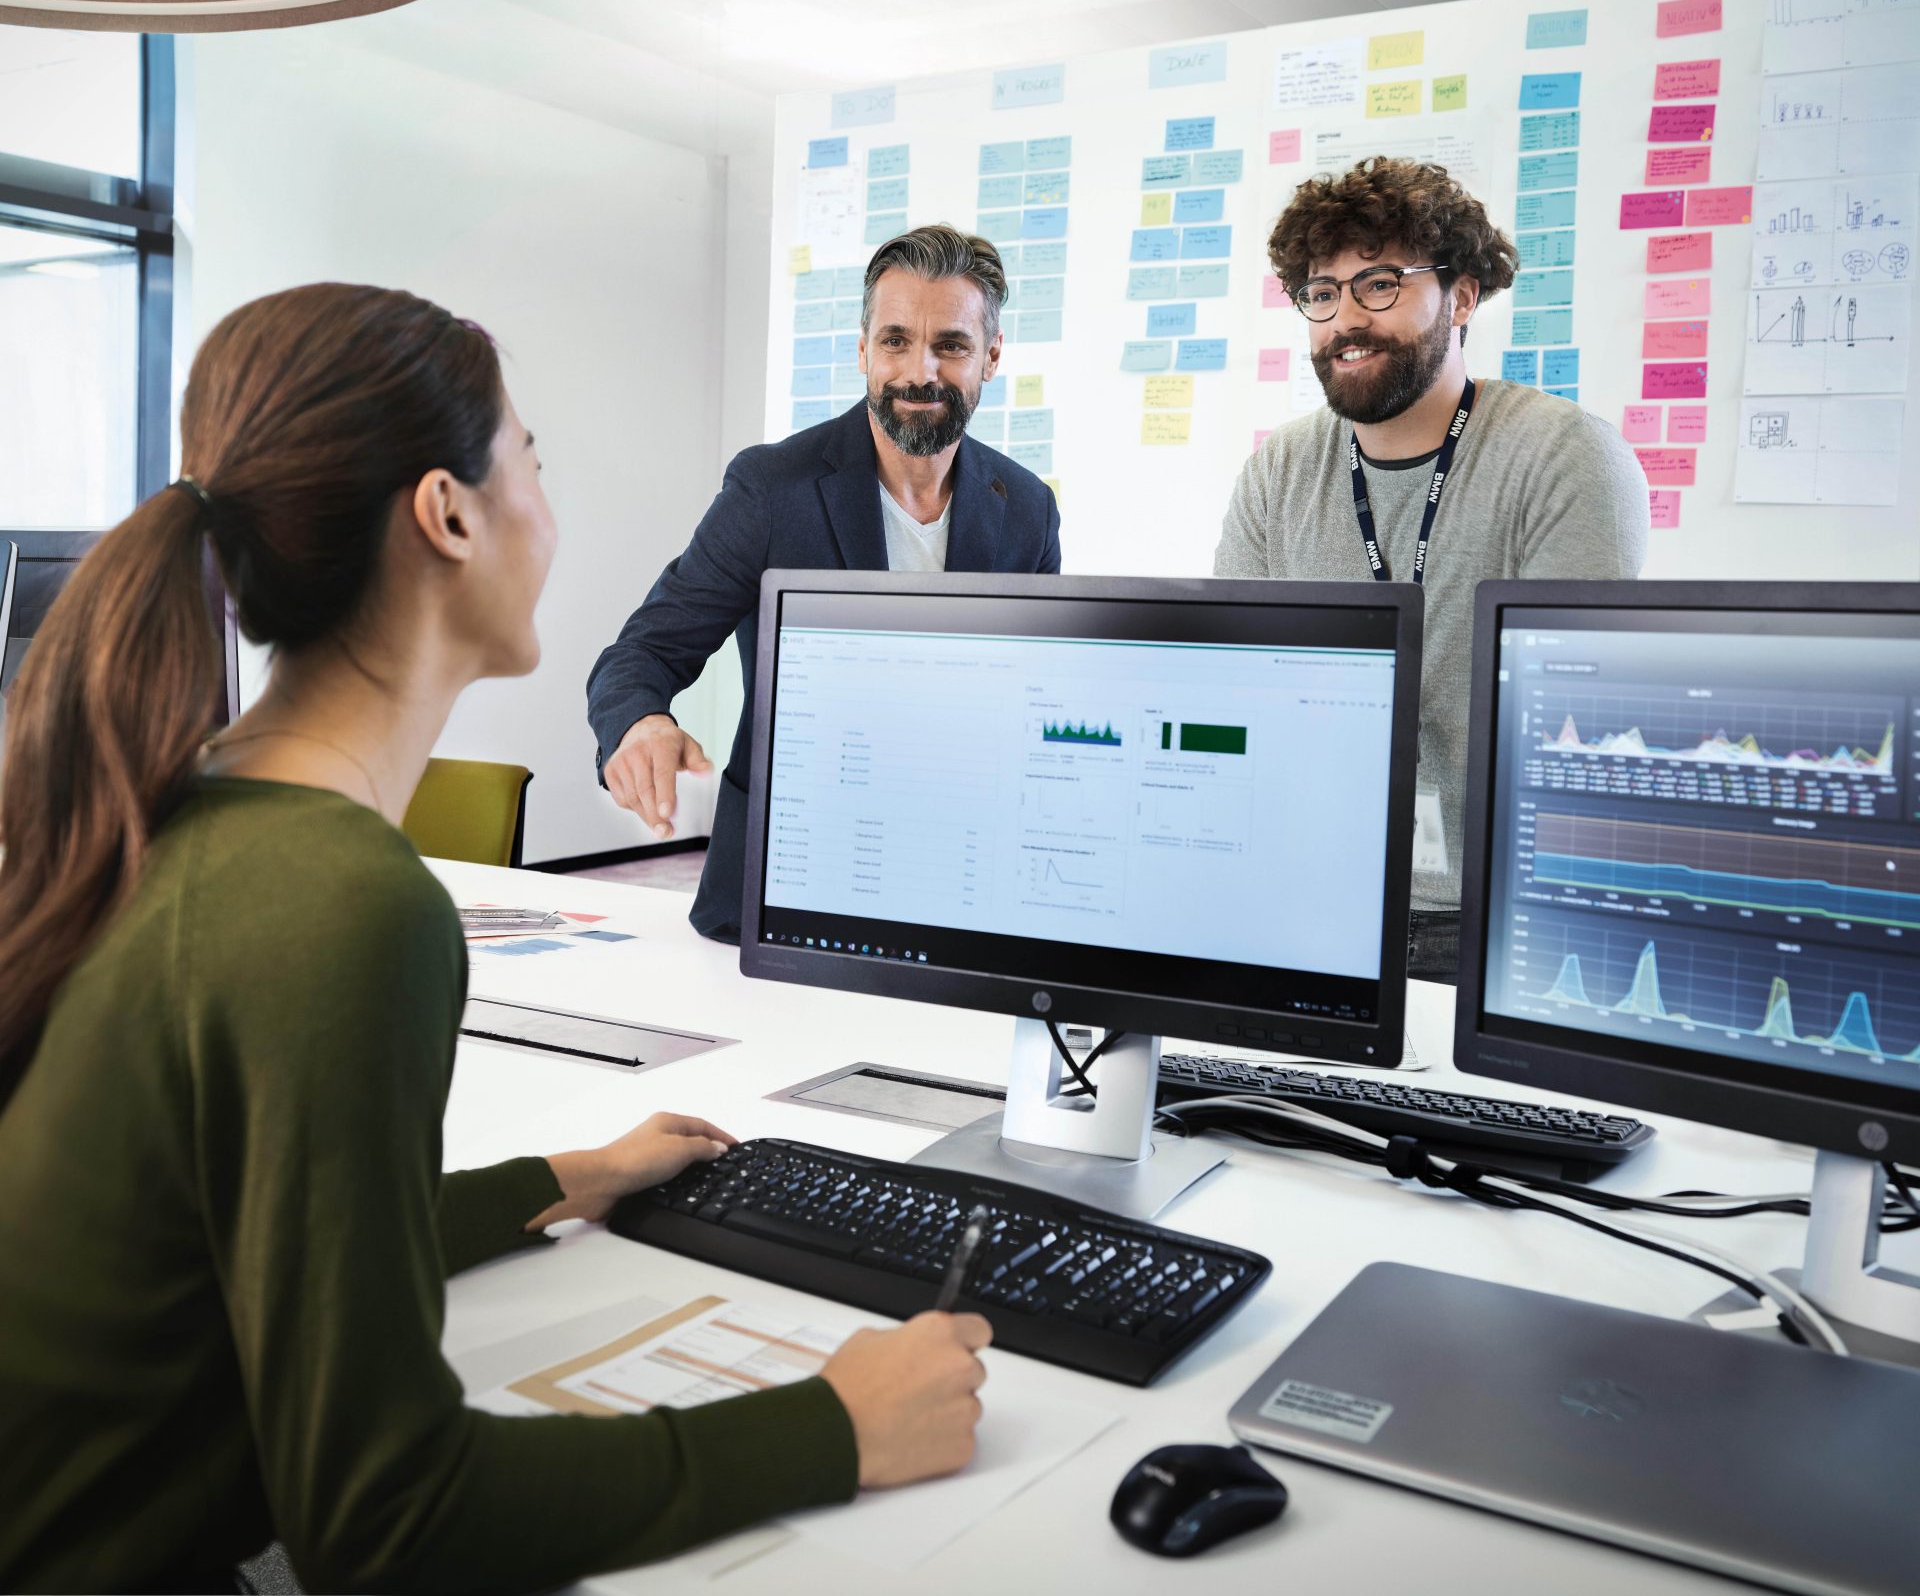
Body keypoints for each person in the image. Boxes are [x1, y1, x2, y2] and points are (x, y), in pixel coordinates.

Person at [0, 285, 992, 1594]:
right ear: (448, 514)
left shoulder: (192, 809)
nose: (545, 500)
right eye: (532, 457)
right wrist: (835, 1426)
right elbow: (393, 1523)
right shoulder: (343, 902)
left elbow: (261, 1229)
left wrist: (561, 1178)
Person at [1215, 158, 1648, 983]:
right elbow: (1245, 694)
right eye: (1321, 292)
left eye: (1380, 284)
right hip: (1315, 905)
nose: (1345, 319)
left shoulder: (1565, 460)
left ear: (1461, 296)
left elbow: (1580, 736)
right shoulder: (1279, 474)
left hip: (1501, 922)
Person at [590, 224, 1062, 943]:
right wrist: (639, 722)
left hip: (962, 884)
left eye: (952, 346)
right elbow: (641, 653)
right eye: (896, 341)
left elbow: (1040, 699)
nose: (920, 373)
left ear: (992, 356)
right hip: (782, 884)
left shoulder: (1026, 507)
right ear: (863, 348)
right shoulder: (772, 489)